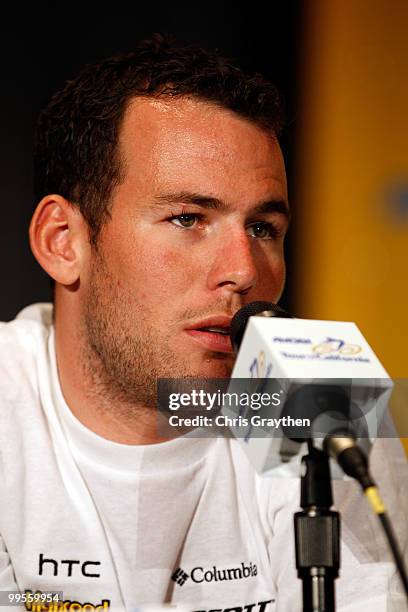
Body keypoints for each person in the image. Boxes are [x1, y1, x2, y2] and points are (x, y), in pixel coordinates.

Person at [0, 35, 406, 612]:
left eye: (263, 228)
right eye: (188, 217)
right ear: (63, 242)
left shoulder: (328, 400)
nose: (243, 271)